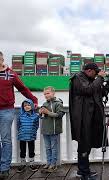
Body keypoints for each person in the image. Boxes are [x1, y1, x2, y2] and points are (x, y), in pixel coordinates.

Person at [0, 51, 38, 179]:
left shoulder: (11, 74)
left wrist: (34, 100)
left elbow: (22, 88)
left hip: (6, 111)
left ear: (2, 59)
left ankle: (4, 168)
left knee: (5, 139)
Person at [69, 63, 108, 180]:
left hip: (91, 118)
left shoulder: (89, 79)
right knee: (84, 145)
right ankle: (83, 172)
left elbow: (100, 93)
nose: (96, 75)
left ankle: (84, 171)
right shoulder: (78, 78)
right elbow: (87, 90)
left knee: (87, 144)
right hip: (83, 119)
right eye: (96, 73)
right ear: (89, 70)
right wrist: (100, 78)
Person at [39, 86, 65, 173]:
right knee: (47, 148)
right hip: (45, 129)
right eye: (45, 94)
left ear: (53, 93)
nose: (46, 95)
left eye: (48, 93)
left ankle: (53, 164)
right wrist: (40, 113)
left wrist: (48, 112)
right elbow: (42, 117)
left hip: (54, 130)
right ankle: (48, 162)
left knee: (53, 148)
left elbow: (59, 115)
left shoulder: (58, 103)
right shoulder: (44, 104)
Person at [17, 99, 40, 173]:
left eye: (28, 105)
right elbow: (18, 125)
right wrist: (21, 132)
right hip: (22, 136)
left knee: (31, 150)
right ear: (23, 107)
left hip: (31, 136)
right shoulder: (21, 116)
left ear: (32, 106)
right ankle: (23, 163)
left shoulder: (35, 116)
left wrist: (33, 132)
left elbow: (36, 126)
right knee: (22, 150)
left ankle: (31, 163)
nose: (27, 106)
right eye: (25, 105)